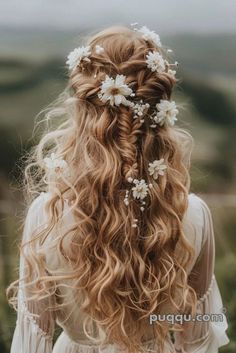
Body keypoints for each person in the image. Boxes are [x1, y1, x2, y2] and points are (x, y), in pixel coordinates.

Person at [7, 25, 230, 353]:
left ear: (82, 111)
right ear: (160, 113)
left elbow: (33, 339)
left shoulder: (47, 214)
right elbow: (196, 337)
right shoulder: (193, 214)